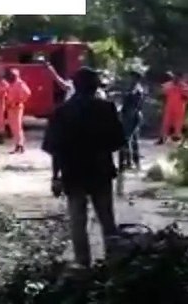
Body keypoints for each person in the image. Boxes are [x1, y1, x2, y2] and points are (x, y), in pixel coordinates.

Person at [42, 67, 127, 266]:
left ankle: (83, 263)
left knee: (78, 221)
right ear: (95, 87)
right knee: (107, 218)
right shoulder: (106, 109)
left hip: (73, 172)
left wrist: (55, 177)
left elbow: (55, 148)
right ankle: (114, 263)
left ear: (75, 86)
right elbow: (118, 141)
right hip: (100, 171)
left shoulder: (61, 111)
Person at [116, 70, 146, 171]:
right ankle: (132, 162)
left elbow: (132, 101)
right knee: (132, 140)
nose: (130, 79)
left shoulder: (136, 88)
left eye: (132, 77)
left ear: (136, 78)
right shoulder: (134, 88)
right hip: (130, 115)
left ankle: (127, 162)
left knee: (126, 139)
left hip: (131, 115)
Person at [158, 71, 188, 144]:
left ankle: (176, 138)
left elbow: (185, 97)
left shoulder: (185, 86)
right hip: (169, 107)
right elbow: (162, 95)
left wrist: (179, 88)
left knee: (178, 124)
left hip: (179, 108)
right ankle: (162, 138)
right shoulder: (168, 85)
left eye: (178, 77)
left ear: (181, 78)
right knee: (165, 123)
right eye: (175, 77)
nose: (176, 78)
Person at [6, 68, 31, 153]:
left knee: (17, 127)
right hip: (10, 107)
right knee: (13, 127)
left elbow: (27, 93)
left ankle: (20, 145)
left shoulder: (20, 83)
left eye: (12, 75)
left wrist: (19, 101)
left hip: (17, 107)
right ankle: (17, 145)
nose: (11, 76)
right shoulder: (11, 83)